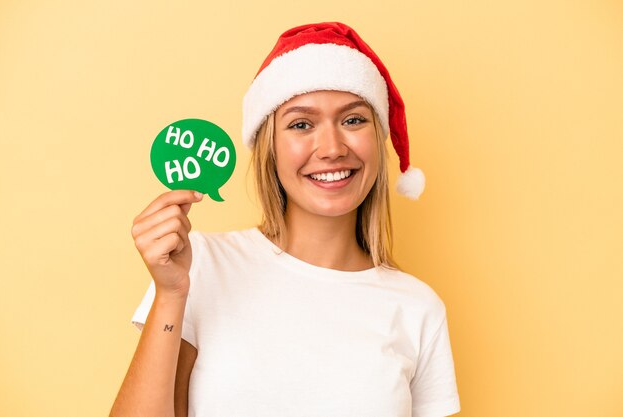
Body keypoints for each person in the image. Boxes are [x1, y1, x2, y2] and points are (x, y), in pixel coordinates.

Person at [110, 22, 460, 417]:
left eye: (353, 120)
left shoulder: (419, 308)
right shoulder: (200, 265)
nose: (331, 148)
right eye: (301, 124)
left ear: (379, 140)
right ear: (270, 148)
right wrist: (171, 295)